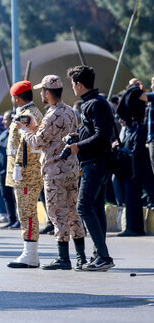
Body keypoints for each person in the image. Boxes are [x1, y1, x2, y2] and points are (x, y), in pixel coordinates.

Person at [17, 74, 86, 270]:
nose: (40, 93)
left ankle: (63, 258)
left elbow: (37, 142)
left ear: (47, 93)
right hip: (71, 168)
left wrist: (24, 130)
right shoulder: (71, 112)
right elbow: (56, 136)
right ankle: (81, 257)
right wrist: (35, 128)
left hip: (54, 170)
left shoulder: (51, 115)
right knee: (73, 212)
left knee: (57, 214)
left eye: (42, 91)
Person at [66, 64, 116, 271]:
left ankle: (103, 256)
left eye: (72, 84)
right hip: (97, 162)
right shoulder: (95, 102)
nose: (73, 88)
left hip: (95, 163)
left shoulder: (93, 104)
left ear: (79, 84)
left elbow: (102, 135)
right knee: (95, 208)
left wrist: (77, 146)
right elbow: (96, 132)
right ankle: (99, 255)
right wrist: (77, 137)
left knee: (83, 207)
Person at [5, 80, 45, 268]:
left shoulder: (28, 115)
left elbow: (26, 144)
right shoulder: (26, 113)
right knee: (25, 212)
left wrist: (20, 168)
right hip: (24, 171)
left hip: (27, 173)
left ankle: (30, 254)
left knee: (27, 212)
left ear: (16, 97)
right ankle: (29, 252)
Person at [116, 78, 154, 236]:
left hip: (140, 142)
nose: (151, 85)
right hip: (138, 141)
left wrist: (134, 87)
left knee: (133, 186)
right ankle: (133, 226)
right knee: (132, 188)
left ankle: (134, 227)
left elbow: (138, 96)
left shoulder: (145, 98)